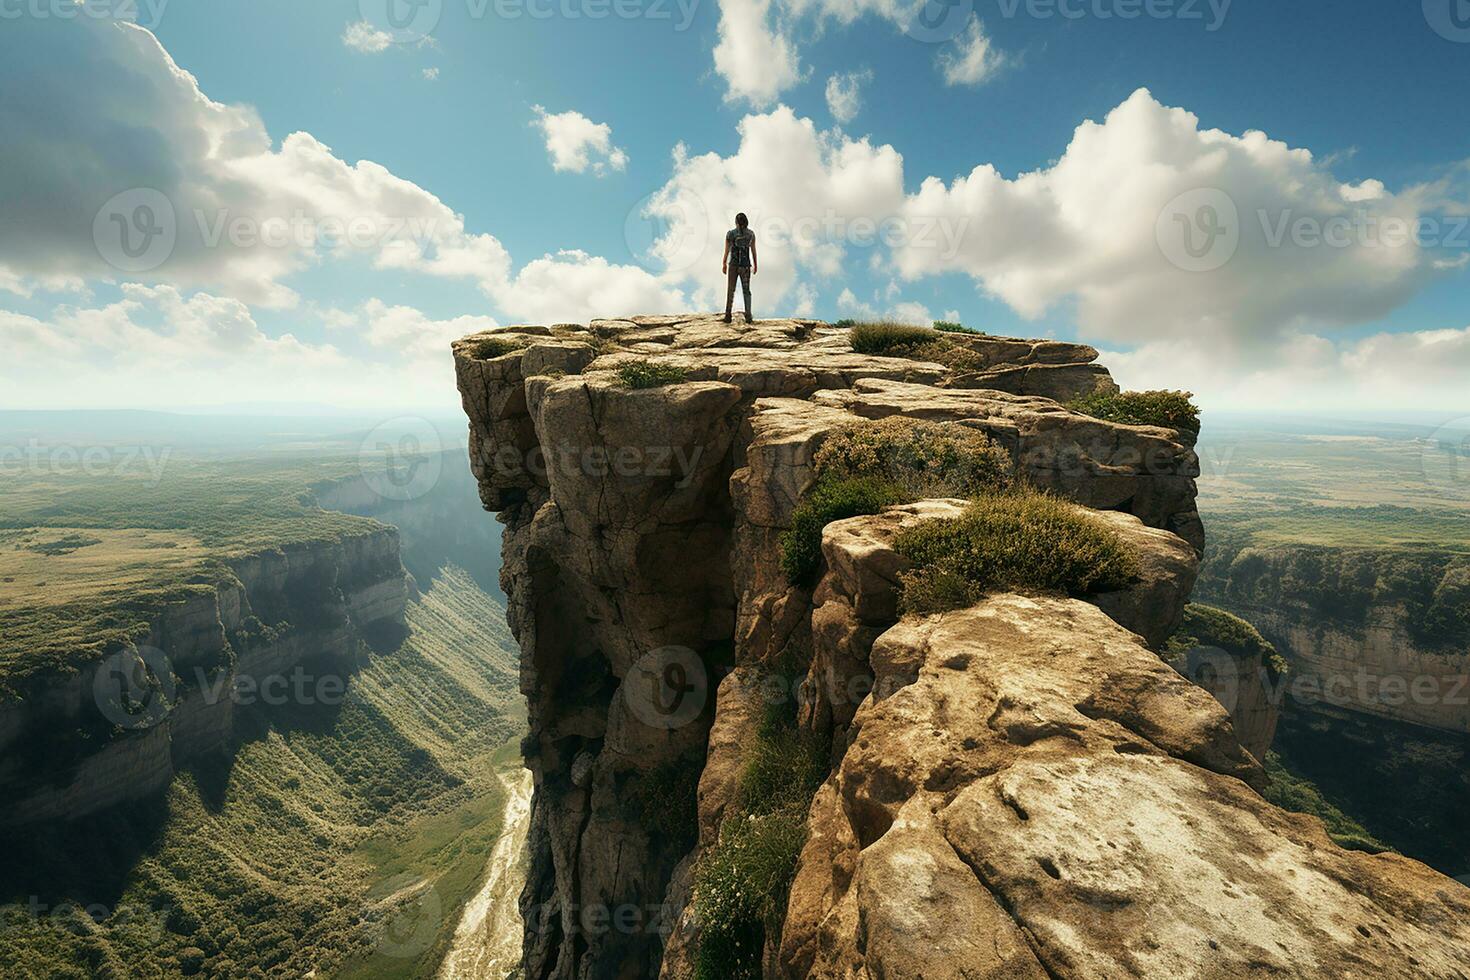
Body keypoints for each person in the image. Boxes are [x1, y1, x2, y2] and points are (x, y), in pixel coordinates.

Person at [721, 213, 757, 324]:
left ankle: (728, 315)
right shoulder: (750, 234)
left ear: (736, 222)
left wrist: (724, 263)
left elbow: (727, 250)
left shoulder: (730, 234)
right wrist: (755, 264)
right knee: (746, 291)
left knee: (730, 290)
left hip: (733, 265)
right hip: (745, 266)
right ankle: (748, 316)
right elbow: (753, 250)